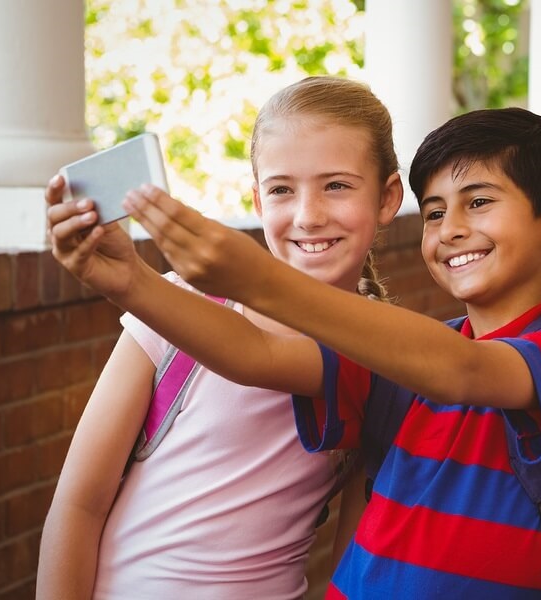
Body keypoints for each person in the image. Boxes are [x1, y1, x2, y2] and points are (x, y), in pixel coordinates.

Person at [49, 107, 541, 598]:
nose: (450, 228)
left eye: (478, 202)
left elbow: (464, 371)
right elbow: (253, 353)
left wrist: (256, 278)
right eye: (434, 212)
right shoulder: (396, 354)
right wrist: (129, 281)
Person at [36, 75, 403, 599]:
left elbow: (354, 557)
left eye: (337, 185)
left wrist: (132, 281)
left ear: (388, 197)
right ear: (257, 200)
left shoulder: (389, 350)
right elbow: (79, 502)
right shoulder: (179, 302)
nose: (308, 215)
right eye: (282, 189)